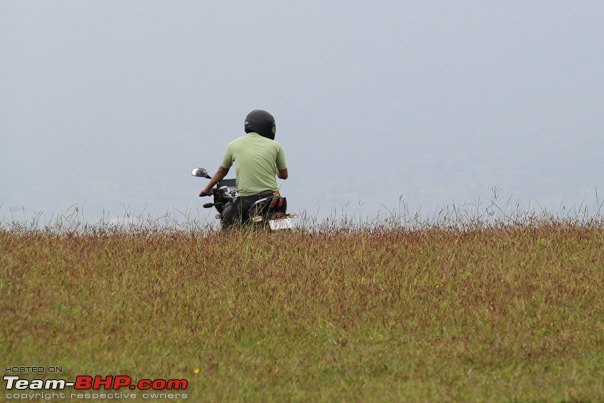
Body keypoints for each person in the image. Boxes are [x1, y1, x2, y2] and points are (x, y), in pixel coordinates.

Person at [200, 109, 288, 228]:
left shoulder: (234, 145)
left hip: (248, 198)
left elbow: (222, 171)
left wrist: (207, 189)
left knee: (228, 220)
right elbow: (284, 175)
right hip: (273, 198)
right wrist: (275, 169)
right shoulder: (276, 146)